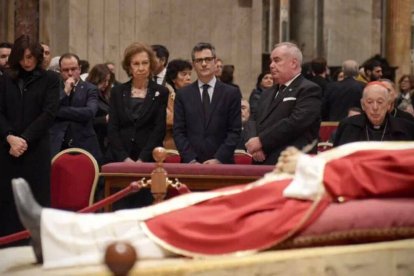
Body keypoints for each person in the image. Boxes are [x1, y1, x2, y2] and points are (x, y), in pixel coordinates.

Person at [11, 141, 414, 267]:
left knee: (199, 223)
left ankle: (60, 237)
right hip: (309, 185)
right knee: (183, 211)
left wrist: (313, 169)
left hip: (316, 194)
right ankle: (56, 230)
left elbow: (386, 175)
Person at [0, 35, 59, 241]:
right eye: (24, 57)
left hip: (35, 149)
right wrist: (9, 137)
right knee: (7, 201)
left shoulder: (50, 79)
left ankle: (36, 245)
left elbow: (49, 113)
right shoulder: (5, 79)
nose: (28, 62)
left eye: (32, 57)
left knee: (37, 198)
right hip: (8, 150)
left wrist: (23, 139)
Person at [245, 42, 321, 165]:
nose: (271, 65)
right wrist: (254, 144)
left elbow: (295, 123)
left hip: (290, 164)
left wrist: (261, 141)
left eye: (277, 60)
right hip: (261, 161)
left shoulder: (309, 89)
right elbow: (253, 118)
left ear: (293, 63)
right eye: (271, 61)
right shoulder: (267, 93)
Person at [173, 42, 241, 164]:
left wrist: (219, 159)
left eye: (208, 59)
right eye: (199, 60)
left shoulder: (231, 93)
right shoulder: (183, 94)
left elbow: (234, 131)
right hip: (190, 165)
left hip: (222, 164)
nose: (204, 64)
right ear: (194, 65)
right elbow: (178, 132)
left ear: (215, 62)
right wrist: (191, 160)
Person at [49, 53, 102, 162]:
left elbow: (90, 112)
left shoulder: (90, 89)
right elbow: (49, 108)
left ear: (79, 69)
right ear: (60, 70)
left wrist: (59, 111)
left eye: (73, 69)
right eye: (65, 70)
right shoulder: (53, 87)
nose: (70, 73)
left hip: (84, 142)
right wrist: (65, 91)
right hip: (57, 143)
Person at [333, 82, 414, 147]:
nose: (375, 107)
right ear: (363, 105)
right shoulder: (348, 126)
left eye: (380, 102)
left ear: (388, 105)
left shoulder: (406, 128)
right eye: (369, 102)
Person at [164, 59, 193, 149]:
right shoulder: (166, 94)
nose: (188, 78)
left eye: (189, 74)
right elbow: (168, 119)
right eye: (184, 74)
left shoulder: (192, 95)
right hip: (171, 143)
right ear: (173, 78)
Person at [86, 64, 113, 155]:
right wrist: (105, 119)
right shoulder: (88, 94)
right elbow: (85, 120)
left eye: (108, 81)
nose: (107, 84)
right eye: (104, 81)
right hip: (94, 140)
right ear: (96, 79)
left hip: (104, 140)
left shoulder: (105, 94)